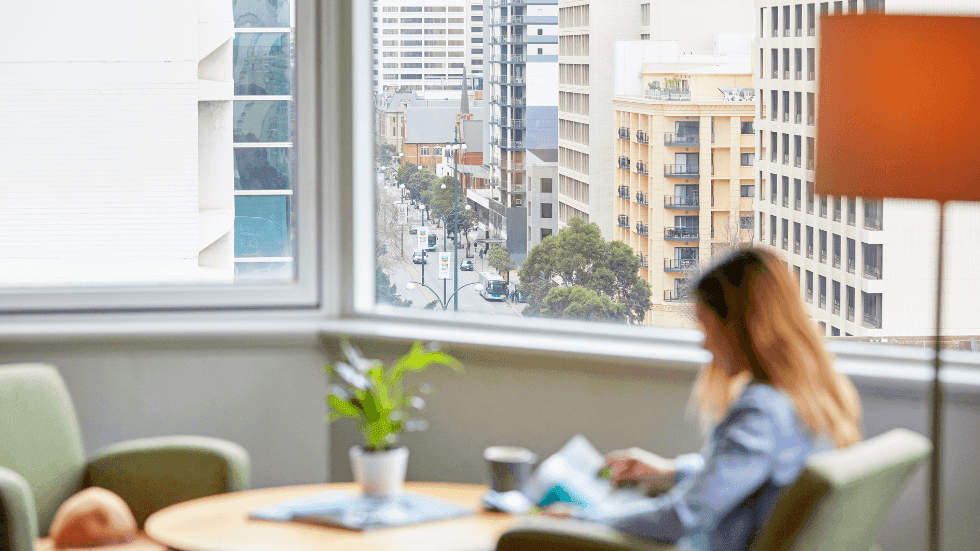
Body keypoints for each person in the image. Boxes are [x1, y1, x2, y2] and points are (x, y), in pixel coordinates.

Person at [547, 247, 862, 551]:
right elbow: (750, 474)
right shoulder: (811, 398)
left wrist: (580, 520)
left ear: (739, 327)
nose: (706, 345)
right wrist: (669, 471)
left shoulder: (762, 411)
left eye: (706, 327)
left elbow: (680, 517)